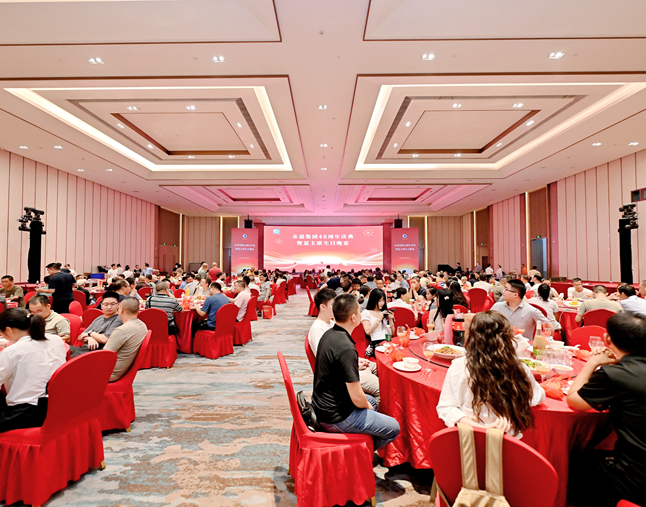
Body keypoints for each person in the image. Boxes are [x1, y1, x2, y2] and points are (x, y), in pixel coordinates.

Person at [566, 312, 646, 506]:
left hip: (636, 477)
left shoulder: (615, 375)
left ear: (607, 338)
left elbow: (574, 400)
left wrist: (592, 363)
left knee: (570, 463)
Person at [312, 294, 400, 449]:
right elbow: (357, 396)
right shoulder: (346, 347)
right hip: (336, 417)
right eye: (359, 311)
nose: (361, 314)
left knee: (371, 401)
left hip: (322, 406)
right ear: (353, 318)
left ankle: (360, 447)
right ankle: (361, 454)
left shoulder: (330, 333)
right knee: (394, 427)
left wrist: (367, 405)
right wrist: (367, 407)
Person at [437, 311, 545, 437]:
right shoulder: (520, 369)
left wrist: (479, 428)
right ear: (508, 339)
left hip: (467, 441)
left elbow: (446, 408)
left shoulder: (460, 366)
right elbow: (538, 397)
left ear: (472, 337)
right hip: (507, 442)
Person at [0, 308, 66, 432]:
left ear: (9, 330)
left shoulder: (12, 351)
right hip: (57, 405)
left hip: (27, 413)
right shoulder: (56, 340)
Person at [104, 298, 147, 382]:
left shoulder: (121, 330)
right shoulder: (142, 325)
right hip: (122, 369)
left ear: (121, 310)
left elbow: (104, 356)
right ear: (138, 309)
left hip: (109, 373)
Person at [70, 292, 123, 356]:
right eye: (106, 304)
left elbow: (105, 339)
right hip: (84, 348)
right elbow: (80, 337)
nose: (109, 307)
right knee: (61, 348)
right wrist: (89, 338)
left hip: (95, 351)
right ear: (101, 305)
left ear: (118, 305)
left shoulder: (118, 319)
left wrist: (90, 333)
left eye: (112, 304)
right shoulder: (99, 318)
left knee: (67, 359)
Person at [362, 289, 395, 356]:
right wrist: (379, 319)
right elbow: (368, 331)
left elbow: (392, 333)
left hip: (388, 341)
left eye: (383, 300)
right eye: (379, 301)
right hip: (376, 342)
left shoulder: (384, 312)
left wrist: (390, 320)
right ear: (373, 300)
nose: (382, 303)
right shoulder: (366, 313)